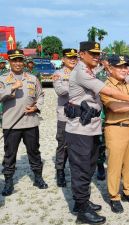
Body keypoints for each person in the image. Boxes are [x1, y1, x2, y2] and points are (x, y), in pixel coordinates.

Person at [65, 41, 129, 225]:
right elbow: (113, 102)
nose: (96, 56)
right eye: (91, 53)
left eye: (97, 53)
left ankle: (86, 202)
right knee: (83, 169)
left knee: (92, 166)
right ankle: (88, 206)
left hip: (92, 127)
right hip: (83, 128)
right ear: (81, 54)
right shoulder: (85, 73)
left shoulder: (96, 74)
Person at [100, 54, 129, 213]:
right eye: (120, 67)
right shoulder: (106, 86)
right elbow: (115, 107)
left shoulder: (127, 85)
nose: (124, 70)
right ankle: (114, 196)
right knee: (114, 165)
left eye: (126, 66)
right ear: (110, 68)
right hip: (115, 127)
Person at [0, 49, 48, 196]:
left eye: (20, 60)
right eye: (14, 60)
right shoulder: (3, 79)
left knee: (34, 152)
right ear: (9, 62)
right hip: (11, 124)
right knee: (10, 154)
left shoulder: (33, 78)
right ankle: (8, 182)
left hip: (31, 123)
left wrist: (36, 107)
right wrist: (11, 88)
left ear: (24, 62)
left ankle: (38, 178)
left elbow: (41, 95)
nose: (18, 63)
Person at [52, 48, 78, 187]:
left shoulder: (81, 72)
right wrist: (78, 87)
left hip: (79, 116)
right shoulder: (58, 74)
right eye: (69, 57)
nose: (72, 59)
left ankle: (75, 171)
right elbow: (60, 91)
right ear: (63, 59)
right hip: (65, 116)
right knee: (63, 146)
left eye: (74, 57)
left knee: (77, 146)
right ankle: (60, 172)